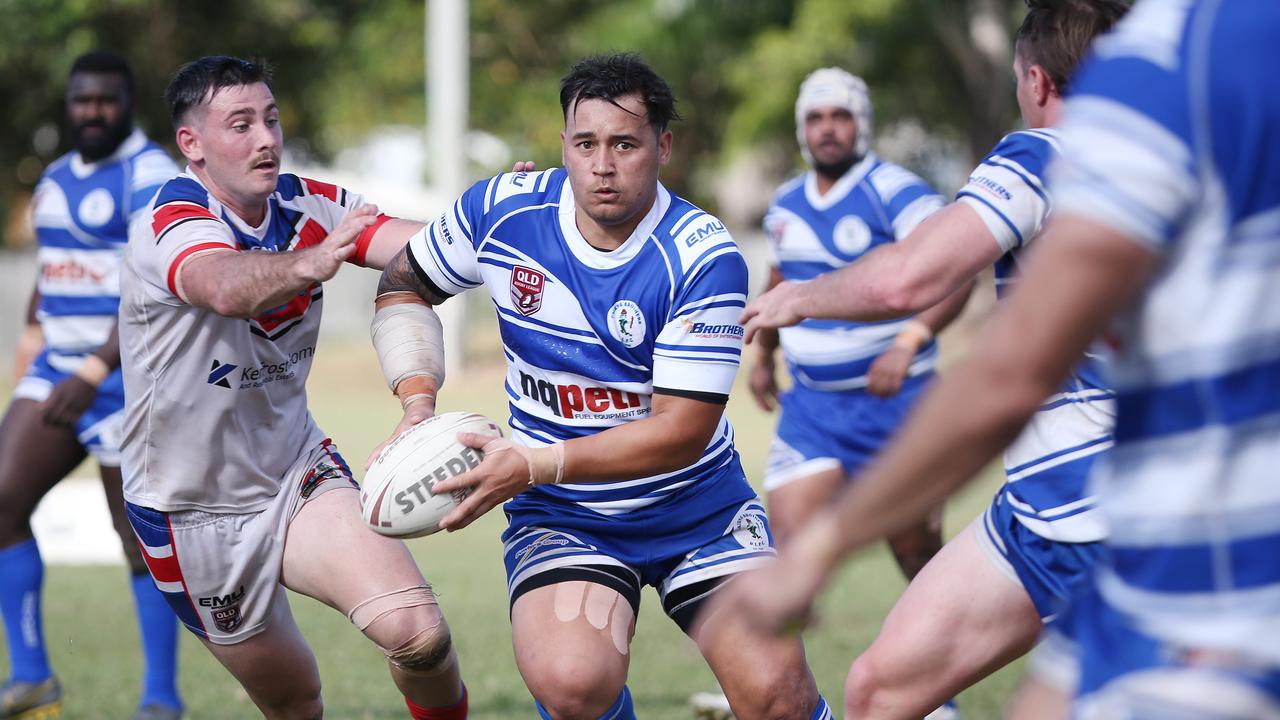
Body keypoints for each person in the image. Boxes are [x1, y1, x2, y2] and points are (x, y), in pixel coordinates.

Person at [368, 53, 833, 720]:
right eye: (585, 143)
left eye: (625, 143)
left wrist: (532, 464)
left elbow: (682, 431)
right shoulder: (503, 213)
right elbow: (403, 284)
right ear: (563, 145)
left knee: (778, 699)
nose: (602, 165)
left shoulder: (702, 257)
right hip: (566, 515)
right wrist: (418, 400)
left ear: (663, 145)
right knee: (572, 682)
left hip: (696, 506)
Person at [711, 2, 1130, 717]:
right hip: (1032, 518)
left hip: (1112, 523)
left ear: (1035, 80)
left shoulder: (1042, 156)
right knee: (879, 688)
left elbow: (916, 275)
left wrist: (804, 298)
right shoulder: (1195, 157)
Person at [117, 56, 468, 719]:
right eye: (241, 124)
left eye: (271, 120)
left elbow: (427, 250)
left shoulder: (311, 205)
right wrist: (313, 261)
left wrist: (507, 228)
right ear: (191, 144)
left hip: (294, 473)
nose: (265, 139)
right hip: (187, 511)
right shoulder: (170, 219)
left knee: (420, 637)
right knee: (293, 698)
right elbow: (220, 285)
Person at [693, 66, 971, 720]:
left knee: (914, 546)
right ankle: (771, 695)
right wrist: (763, 355)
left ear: (861, 124)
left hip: (898, 405)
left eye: (840, 116)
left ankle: (941, 697)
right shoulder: (787, 200)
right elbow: (782, 274)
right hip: (812, 406)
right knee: (784, 549)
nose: (827, 129)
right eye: (815, 118)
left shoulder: (896, 192)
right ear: (801, 128)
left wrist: (909, 342)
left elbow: (956, 271)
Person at [0, 50, 184, 720]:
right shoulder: (52, 178)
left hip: (127, 378)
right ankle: (32, 677)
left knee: (135, 538)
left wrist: (96, 367)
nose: (92, 112)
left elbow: (156, 284)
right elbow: (54, 268)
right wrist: (31, 334)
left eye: (105, 100)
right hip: (58, 368)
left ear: (128, 103)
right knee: (1, 495)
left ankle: (161, 698)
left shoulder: (150, 174)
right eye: (82, 101)